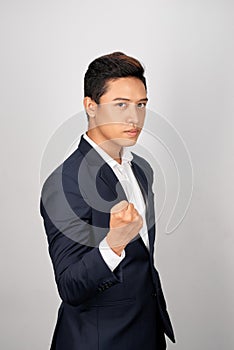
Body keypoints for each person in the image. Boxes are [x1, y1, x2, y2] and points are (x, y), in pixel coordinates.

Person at [40, 52, 175, 350]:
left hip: (147, 332)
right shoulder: (64, 183)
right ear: (91, 106)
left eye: (141, 105)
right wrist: (114, 244)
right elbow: (70, 287)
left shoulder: (141, 169)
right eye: (121, 105)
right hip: (99, 340)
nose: (134, 118)